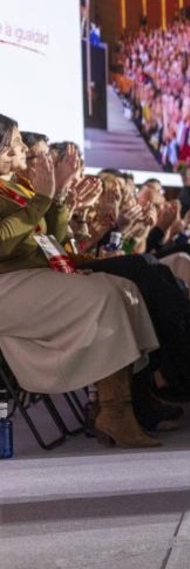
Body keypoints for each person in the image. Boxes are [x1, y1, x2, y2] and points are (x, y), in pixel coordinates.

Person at [0, 114, 161, 448]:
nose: (21, 148)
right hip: (7, 285)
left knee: (123, 289)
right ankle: (116, 412)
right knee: (102, 295)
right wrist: (44, 199)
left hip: (31, 275)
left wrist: (56, 199)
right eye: (15, 142)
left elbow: (53, 243)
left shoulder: (14, 187)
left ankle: (111, 405)